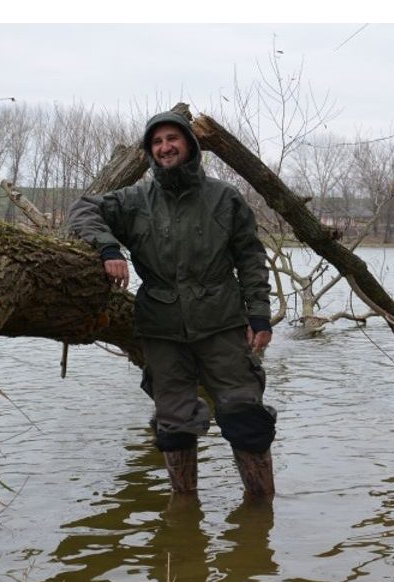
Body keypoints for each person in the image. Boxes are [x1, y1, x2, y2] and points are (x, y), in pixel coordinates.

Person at [66, 110, 277, 496]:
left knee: (245, 415)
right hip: (162, 329)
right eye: (157, 142)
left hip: (223, 323)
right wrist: (108, 246)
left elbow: (250, 257)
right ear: (150, 152)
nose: (165, 148)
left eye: (172, 139)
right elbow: (82, 210)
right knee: (174, 426)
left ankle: (261, 510)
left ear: (190, 145)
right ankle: (183, 515)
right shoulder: (134, 200)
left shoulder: (224, 198)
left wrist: (259, 315)